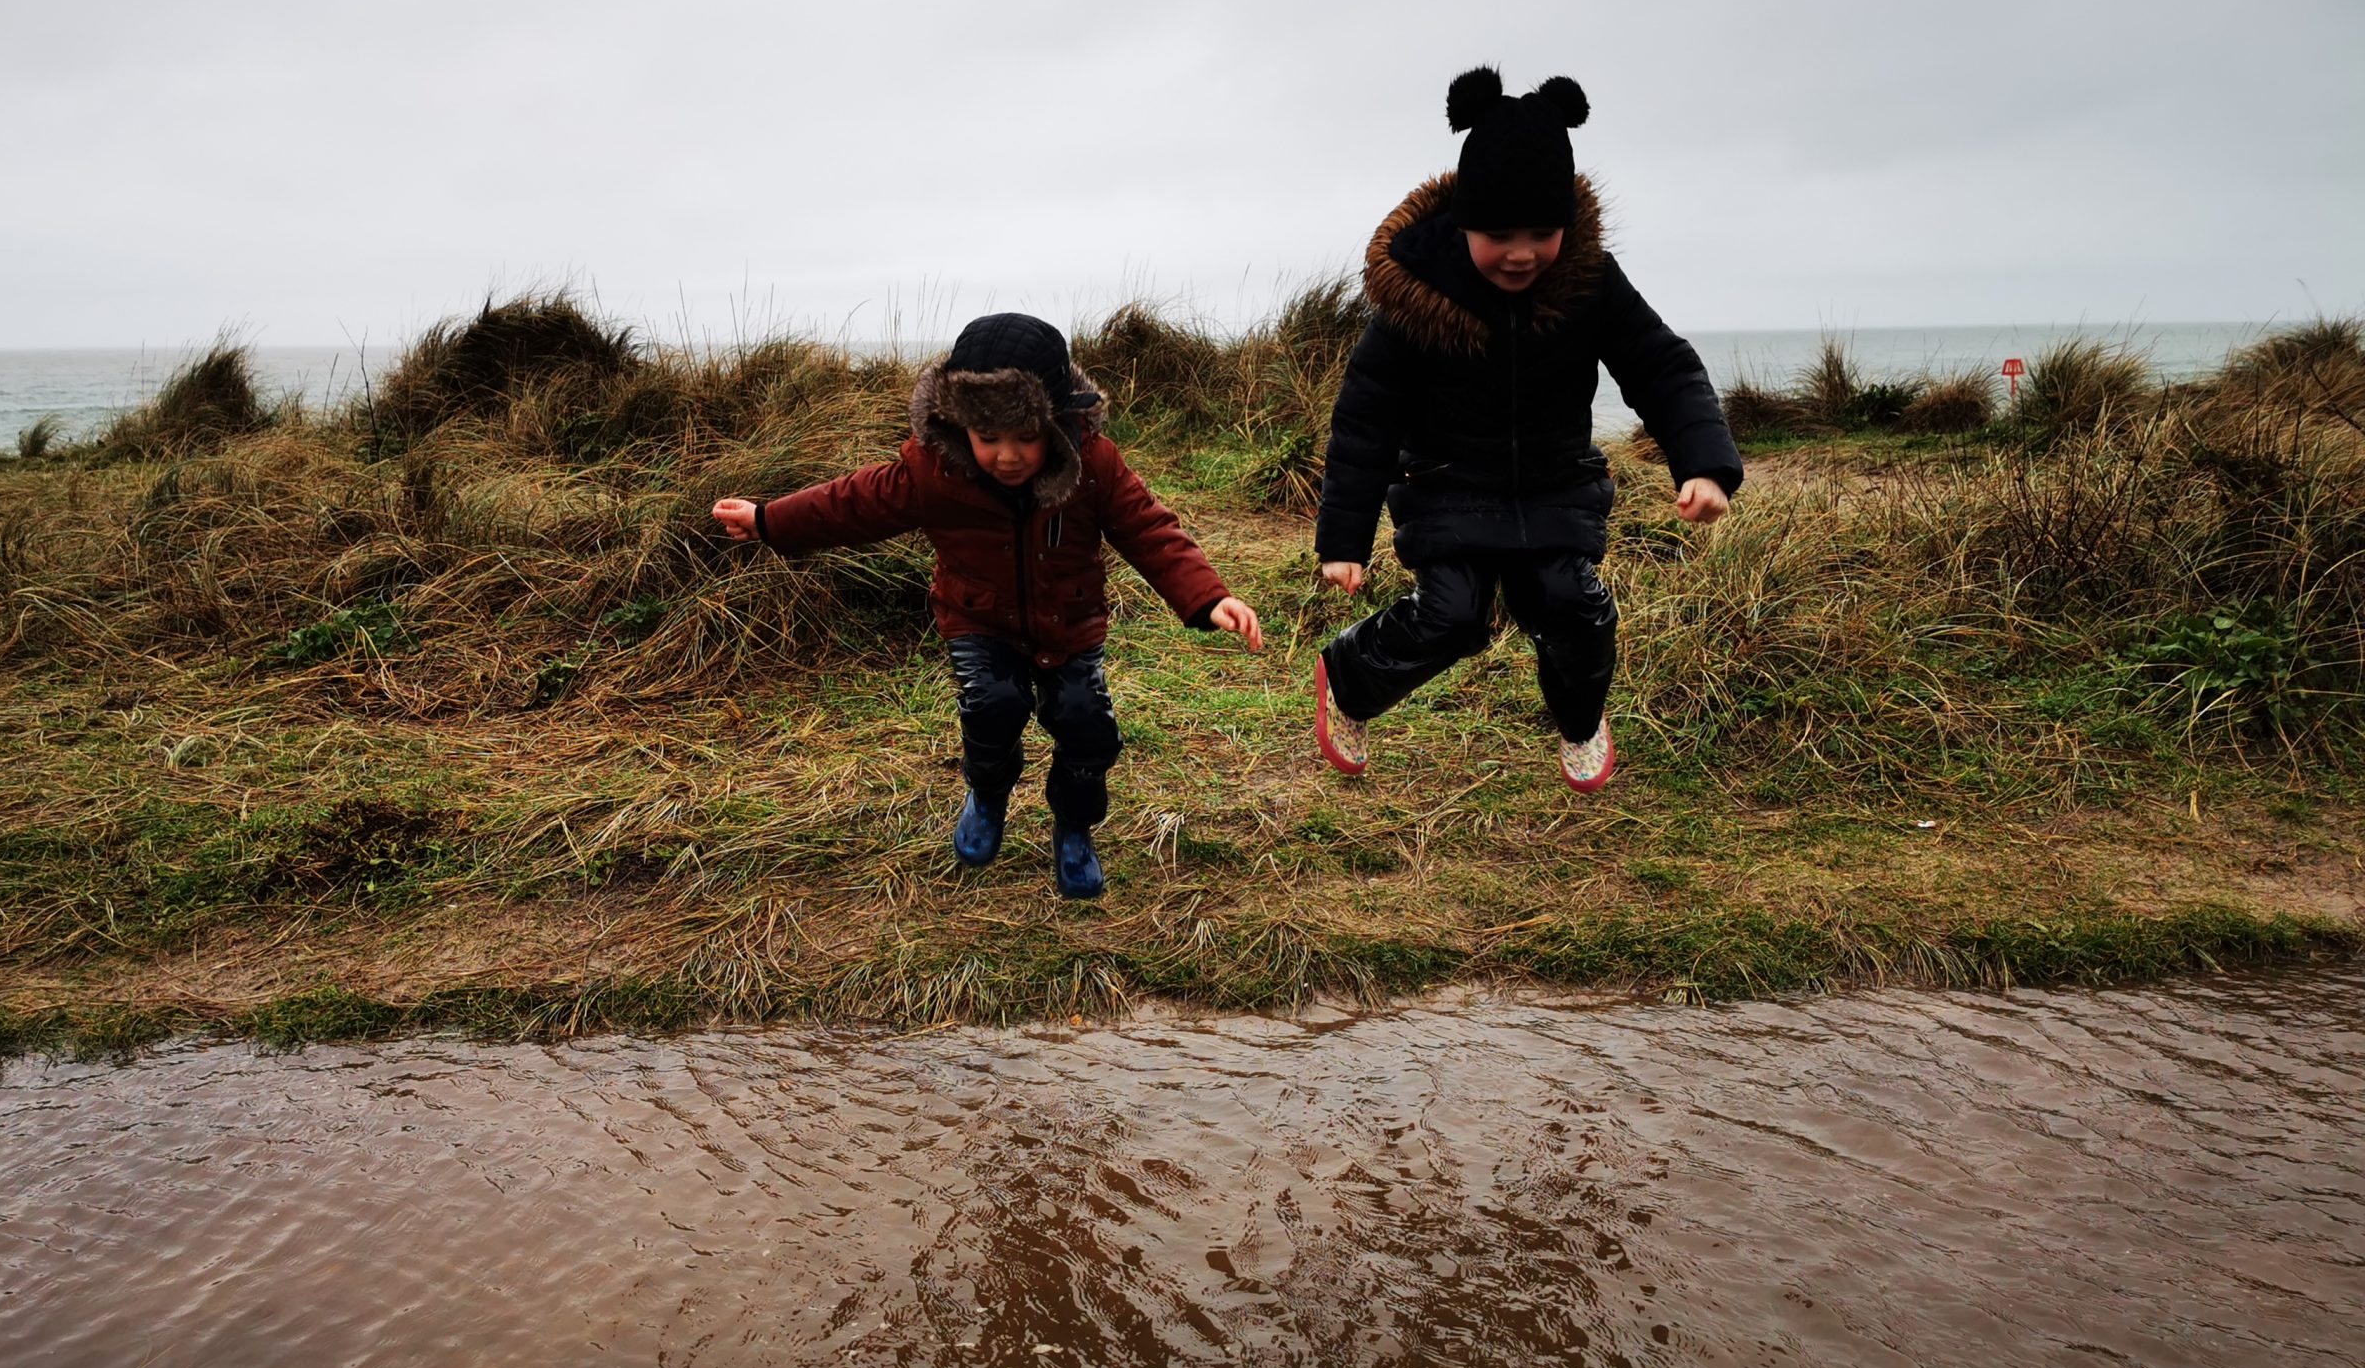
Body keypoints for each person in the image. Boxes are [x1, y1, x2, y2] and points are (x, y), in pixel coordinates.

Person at [713, 312, 1263, 899]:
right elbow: (852, 503)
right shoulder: (935, 471)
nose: (1006, 456)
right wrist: (770, 519)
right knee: (992, 709)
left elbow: (1150, 530)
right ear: (959, 425)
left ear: (1056, 423)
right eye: (988, 437)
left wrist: (1210, 597)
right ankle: (988, 794)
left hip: (1070, 624)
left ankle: (1074, 828)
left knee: (1087, 728)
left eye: (1025, 437)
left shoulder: (1093, 466)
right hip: (978, 620)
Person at [1310, 67, 1740, 789]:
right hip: (1447, 488)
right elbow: (1365, 420)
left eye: (1541, 233)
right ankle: (1349, 680)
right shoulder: (1418, 298)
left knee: (1570, 604)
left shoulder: (1589, 280)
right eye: (1499, 234)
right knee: (1453, 616)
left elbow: (1662, 366)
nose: (1521, 252)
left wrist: (1702, 464)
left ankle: (1579, 719)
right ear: (1464, 224)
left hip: (1555, 484)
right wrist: (1344, 542)